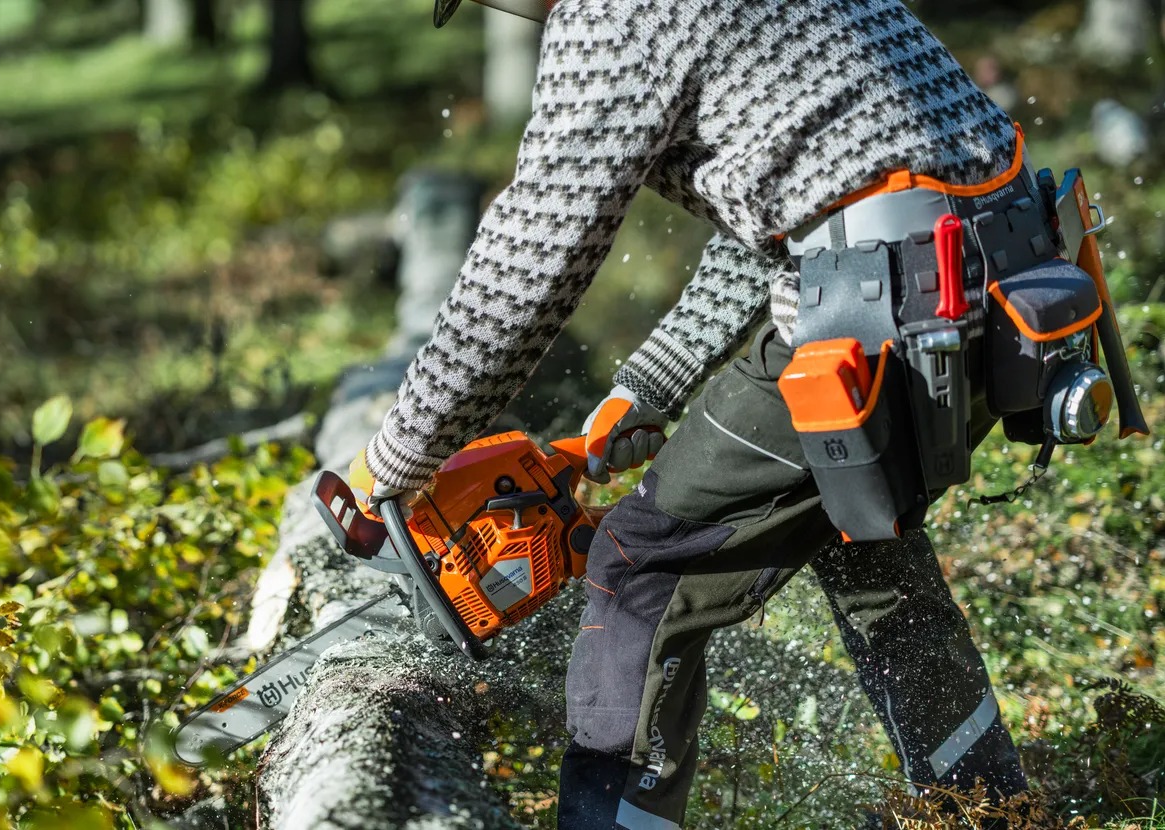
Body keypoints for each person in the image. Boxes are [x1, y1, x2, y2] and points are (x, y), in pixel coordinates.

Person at [353, 0, 1045, 825]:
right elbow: (805, 192)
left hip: (889, 301)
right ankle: (985, 808)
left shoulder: (610, 15)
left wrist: (402, 452)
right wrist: (654, 379)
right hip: (1009, 280)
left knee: (639, 561)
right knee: (858, 527)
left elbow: (530, 258)